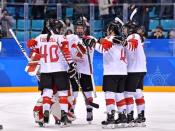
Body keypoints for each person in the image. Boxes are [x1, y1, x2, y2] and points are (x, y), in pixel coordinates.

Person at [26, 19, 76, 127]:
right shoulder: (60, 38)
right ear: (56, 28)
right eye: (60, 28)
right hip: (59, 70)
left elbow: (32, 48)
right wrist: (72, 64)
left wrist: (31, 46)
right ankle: (63, 116)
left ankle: (45, 114)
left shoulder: (39, 38)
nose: (61, 30)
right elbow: (66, 53)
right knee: (63, 93)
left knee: (47, 94)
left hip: (45, 71)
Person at [93, 21, 128, 128]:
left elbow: (104, 49)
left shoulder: (110, 38)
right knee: (119, 94)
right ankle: (123, 117)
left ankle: (111, 118)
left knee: (109, 94)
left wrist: (93, 44)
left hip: (111, 71)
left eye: (109, 29)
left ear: (111, 30)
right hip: (122, 71)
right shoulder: (122, 40)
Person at [66, 19, 97, 124]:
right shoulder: (70, 38)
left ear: (85, 29)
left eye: (81, 28)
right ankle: (71, 112)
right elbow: (60, 41)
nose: (79, 30)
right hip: (73, 70)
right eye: (78, 28)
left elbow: (98, 46)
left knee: (87, 93)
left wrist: (90, 44)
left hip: (85, 70)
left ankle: (89, 111)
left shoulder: (91, 39)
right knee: (73, 93)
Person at [123, 21, 147, 127]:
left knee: (128, 93)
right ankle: (141, 117)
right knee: (138, 92)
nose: (124, 30)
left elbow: (132, 46)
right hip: (140, 69)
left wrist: (124, 43)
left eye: (125, 28)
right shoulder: (136, 36)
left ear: (130, 29)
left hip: (133, 70)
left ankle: (130, 117)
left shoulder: (133, 36)